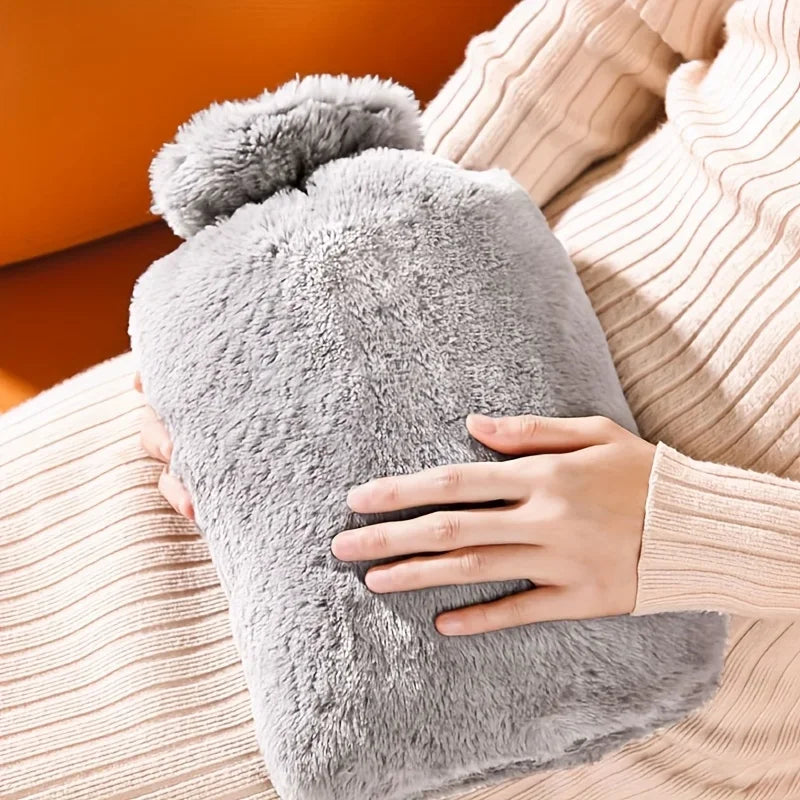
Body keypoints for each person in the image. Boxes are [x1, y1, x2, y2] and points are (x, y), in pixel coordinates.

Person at [3, 0, 798, 797]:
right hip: (292, 371)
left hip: (580, 688)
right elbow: (604, 38)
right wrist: (309, 261)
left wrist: (702, 534)